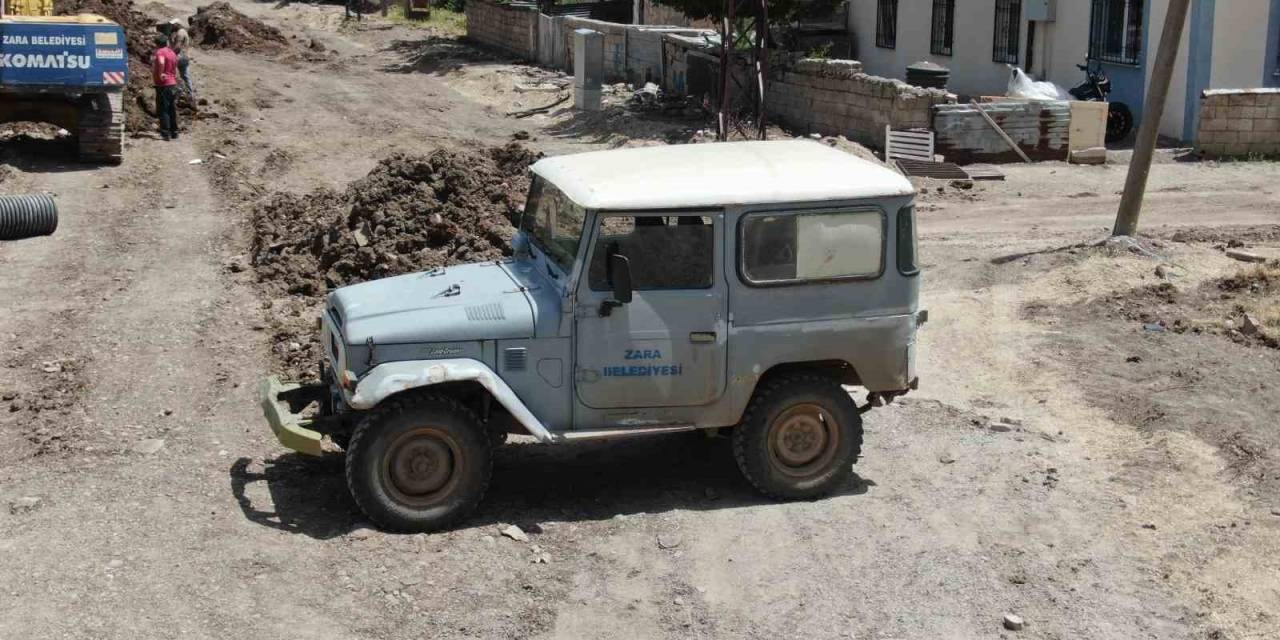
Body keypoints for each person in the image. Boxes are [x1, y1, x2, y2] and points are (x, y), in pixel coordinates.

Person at [151, 34, 179, 140]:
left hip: (163, 84)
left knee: (163, 109)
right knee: (172, 108)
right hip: (172, 83)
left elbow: (161, 61)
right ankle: (174, 132)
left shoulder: (160, 52)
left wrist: (161, 73)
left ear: (157, 44)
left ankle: (165, 133)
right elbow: (176, 63)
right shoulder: (171, 52)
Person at [166, 19, 194, 99]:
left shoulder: (180, 33)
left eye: (173, 25)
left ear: (177, 24)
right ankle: (190, 94)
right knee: (186, 76)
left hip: (180, 57)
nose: (171, 26)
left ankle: (179, 94)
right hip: (185, 56)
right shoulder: (182, 32)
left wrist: (170, 55)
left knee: (173, 75)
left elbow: (177, 47)